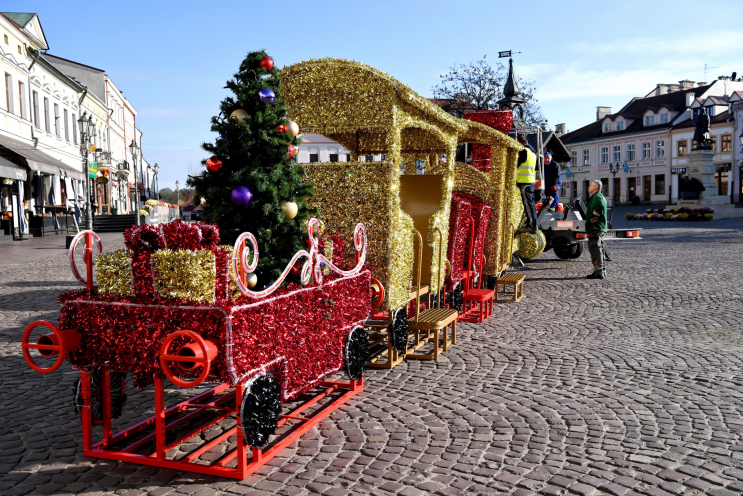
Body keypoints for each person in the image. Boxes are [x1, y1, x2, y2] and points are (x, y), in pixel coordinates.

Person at [585, 179, 608, 280]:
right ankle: (601, 270)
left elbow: (600, 207)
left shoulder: (597, 197)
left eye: (590, 185)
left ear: (596, 187)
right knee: (598, 249)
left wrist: (593, 217)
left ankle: (598, 272)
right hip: (596, 227)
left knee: (595, 249)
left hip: (595, 227)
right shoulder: (595, 197)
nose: (588, 187)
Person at [515, 134, 537, 230]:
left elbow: (515, 164)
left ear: (519, 141)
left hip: (524, 181)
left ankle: (532, 224)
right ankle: (530, 222)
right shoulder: (532, 152)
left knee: (528, 204)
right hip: (529, 180)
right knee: (530, 204)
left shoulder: (524, 151)